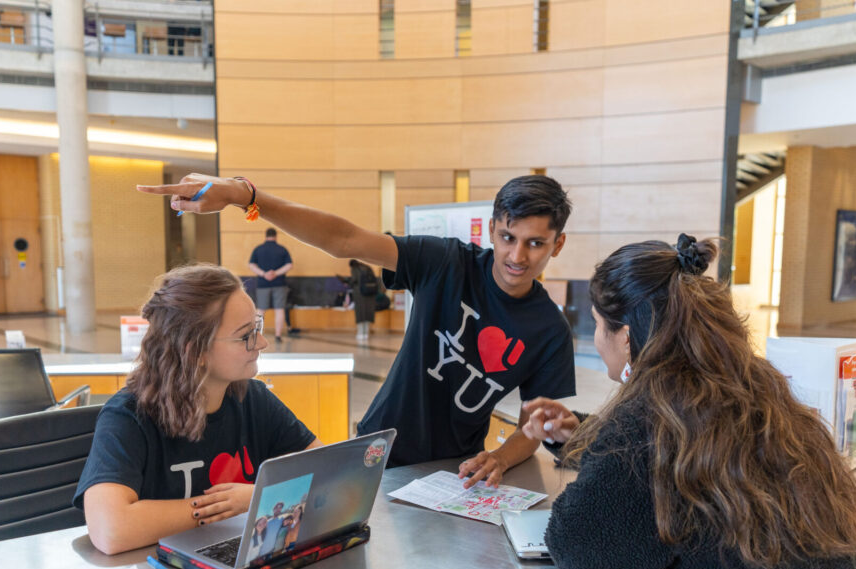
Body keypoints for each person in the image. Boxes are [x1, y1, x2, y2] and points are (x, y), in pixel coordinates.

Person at [520, 235, 856, 569]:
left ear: (627, 334)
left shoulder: (650, 418)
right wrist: (584, 434)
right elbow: (674, 466)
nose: (597, 340)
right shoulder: (753, 385)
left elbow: (587, 550)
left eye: (600, 326)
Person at [137, 174, 576, 479]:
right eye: (507, 238)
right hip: (376, 448)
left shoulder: (549, 331)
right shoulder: (447, 263)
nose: (517, 256)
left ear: (556, 244)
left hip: (454, 470)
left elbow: (531, 427)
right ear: (493, 229)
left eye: (535, 243)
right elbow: (342, 238)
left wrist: (499, 457)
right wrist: (247, 197)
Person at [74, 264, 321, 555]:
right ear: (195, 352)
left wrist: (256, 498)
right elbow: (110, 530)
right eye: (246, 335)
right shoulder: (128, 416)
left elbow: (328, 475)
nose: (262, 343)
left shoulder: (254, 399)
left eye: (258, 328)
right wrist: (241, 507)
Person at [249, 227, 293, 342]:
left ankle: (256, 335)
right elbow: (289, 265)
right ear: (276, 236)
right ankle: (278, 336)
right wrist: (276, 273)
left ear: (266, 235)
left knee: (260, 310)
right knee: (279, 309)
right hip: (280, 283)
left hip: (263, 284)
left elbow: (251, 265)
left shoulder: (258, 249)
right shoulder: (282, 249)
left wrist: (264, 274)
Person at [339, 259, 379, 342]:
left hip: (360, 294)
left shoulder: (355, 269)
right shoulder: (368, 267)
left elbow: (354, 280)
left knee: (360, 313)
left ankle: (360, 333)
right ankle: (366, 333)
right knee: (368, 313)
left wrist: (346, 281)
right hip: (370, 293)